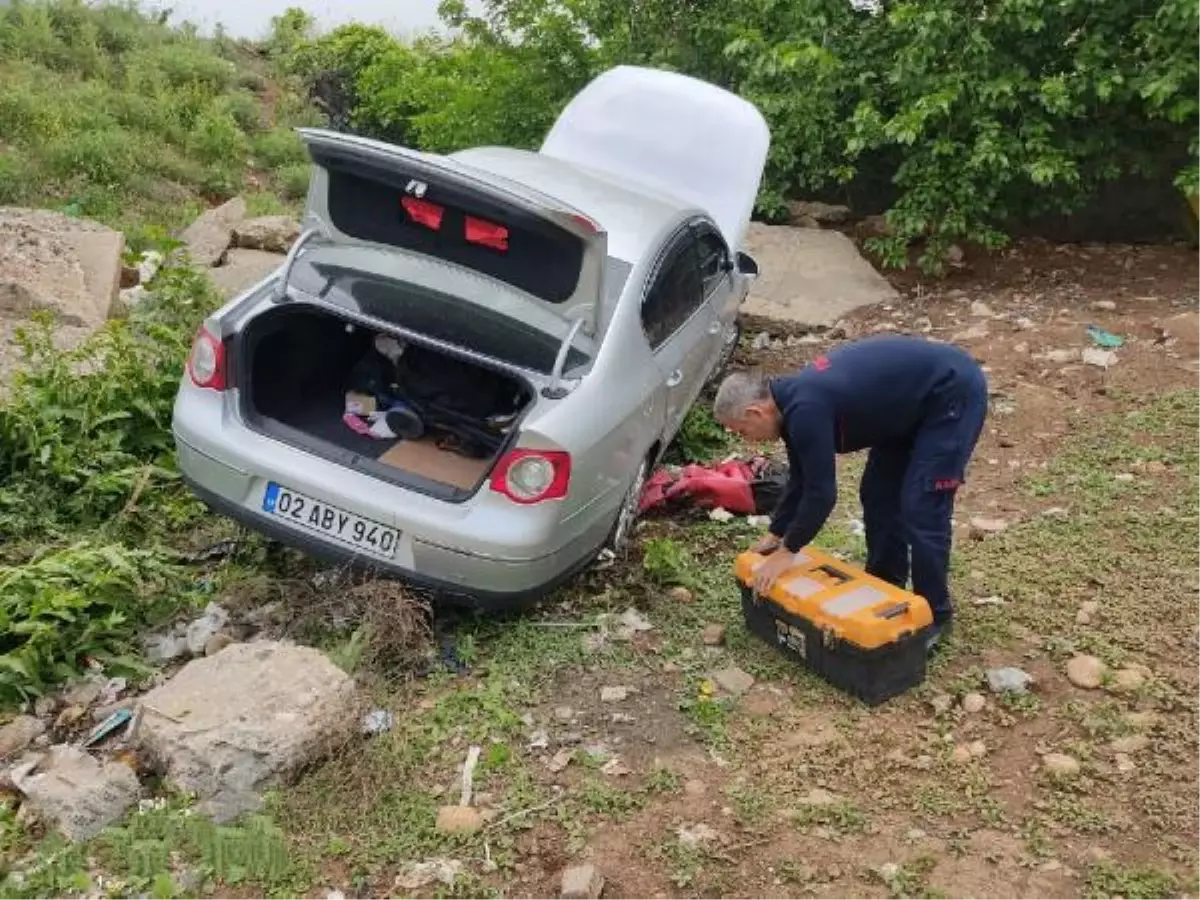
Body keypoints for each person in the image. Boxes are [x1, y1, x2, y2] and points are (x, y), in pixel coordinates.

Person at [712, 334, 989, 651]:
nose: (748, 441)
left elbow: (822, 492)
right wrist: (776, 534)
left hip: (949, 395)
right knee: (877, 496)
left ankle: (935, 616)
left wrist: (789, 550)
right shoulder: (790, 404)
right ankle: (886, 583)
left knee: (922, 508)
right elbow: (802, 478)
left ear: (756, 412)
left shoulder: (805, 408)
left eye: (743, 431)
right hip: (903, 413)